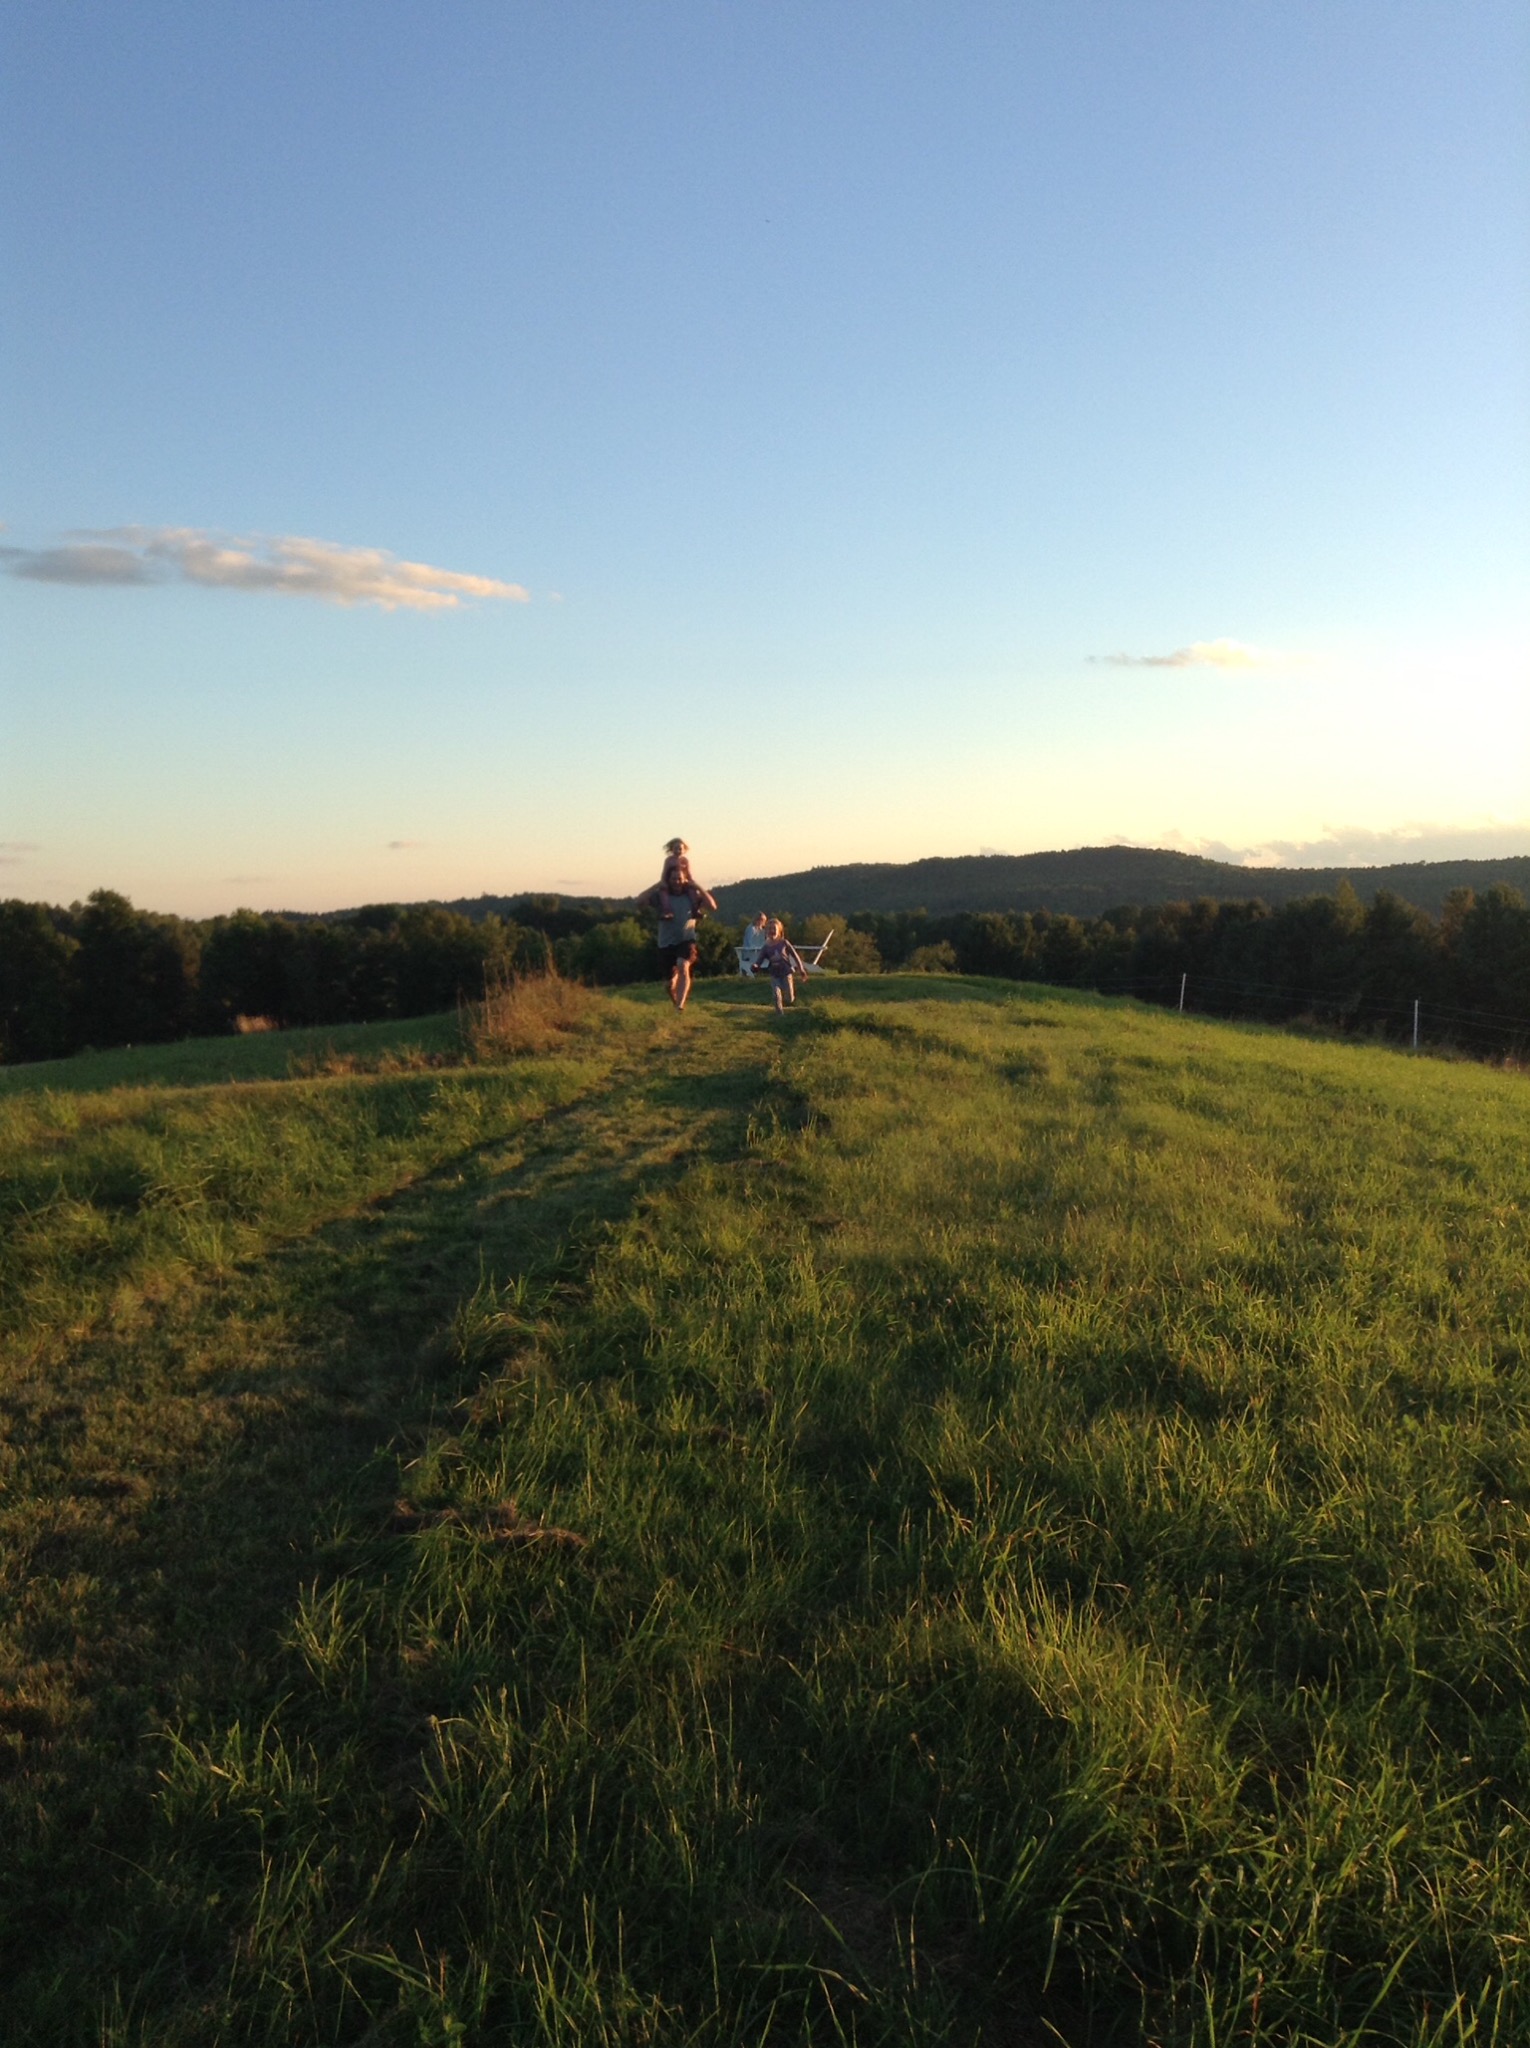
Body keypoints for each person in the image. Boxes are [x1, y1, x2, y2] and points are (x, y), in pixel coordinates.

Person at [637, 837, 717, 1010]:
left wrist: (697, 886)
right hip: (665, 943)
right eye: (673, 878)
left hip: (686, 939)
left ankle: (680, 1005)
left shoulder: (692, 896)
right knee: (668, 983)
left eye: (680, 878)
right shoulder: (660, 896)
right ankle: (675, 999)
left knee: (683, 964)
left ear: (684, 879)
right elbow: (639, 902)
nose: (676, 881)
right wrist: (658, 885)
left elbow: (712, 906)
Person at [757, 919, 807, 1013]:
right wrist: (756, 966)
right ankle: (779, 1015)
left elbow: (795, 956)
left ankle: (788, 995)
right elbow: (760, 959)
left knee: (789, 998)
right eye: (769, 929)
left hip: (786, 973)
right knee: (776, 994)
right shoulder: (766, 947)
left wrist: (801, 969)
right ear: (766, 931)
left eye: (774, 928)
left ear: (779, 930)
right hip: (774, 974)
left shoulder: (784, 943)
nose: (772, 931)